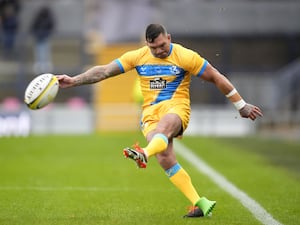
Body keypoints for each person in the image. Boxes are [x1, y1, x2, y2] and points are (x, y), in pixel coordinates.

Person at [57, 24, 263, 218]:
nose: (159, 51)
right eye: (154, 47)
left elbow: (216, 76)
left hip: (176, 107)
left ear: (169, 38)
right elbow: (103, 71)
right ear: (147, 44)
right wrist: (74, 80)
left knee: (163, 132)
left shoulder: (185, 56)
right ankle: (200, 203)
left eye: (163, 45)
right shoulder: (138, 57)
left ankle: (144, 153)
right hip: (149, 114)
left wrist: (241, 105)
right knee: (164, 157)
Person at [30, 5, 55, 73]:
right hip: (38, 38)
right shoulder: (38, 18)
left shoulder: (49, 18)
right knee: (39, 52)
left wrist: (46, 34)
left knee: (45, 51)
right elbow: (33, 27)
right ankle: (39, 66)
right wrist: (37, 34)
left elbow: (51, 26)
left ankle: (46, 67)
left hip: (45, 38)